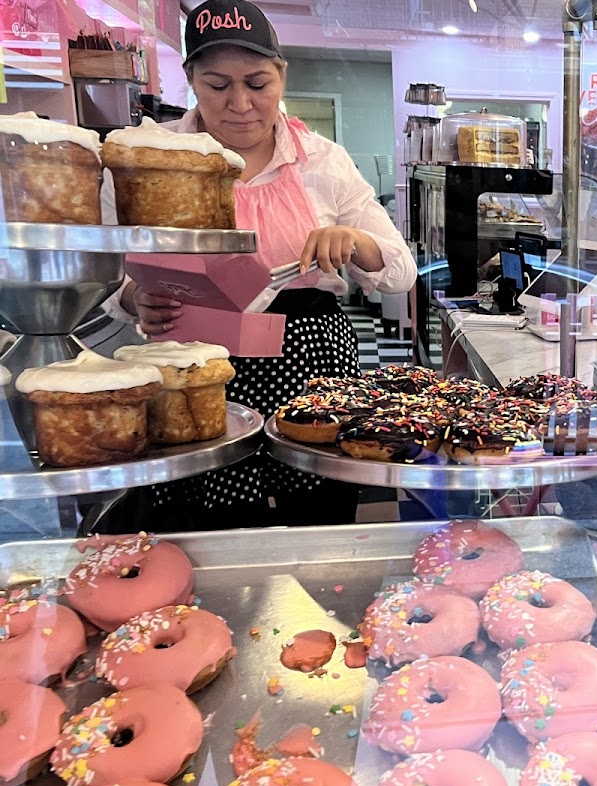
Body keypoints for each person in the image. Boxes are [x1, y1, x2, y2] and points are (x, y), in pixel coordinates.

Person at [104, 0, 416, 531]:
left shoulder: (323, 161)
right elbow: (110, 271)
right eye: (217, 85)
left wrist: (354, 239)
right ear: (190, 81)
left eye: (257, 82)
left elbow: (399, 271)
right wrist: (138, 297)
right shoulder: (147, 158)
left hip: (309, 353)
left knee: (320, 509)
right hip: (196, 354)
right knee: (202, 512)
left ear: (281, 75)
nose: (240, 103)